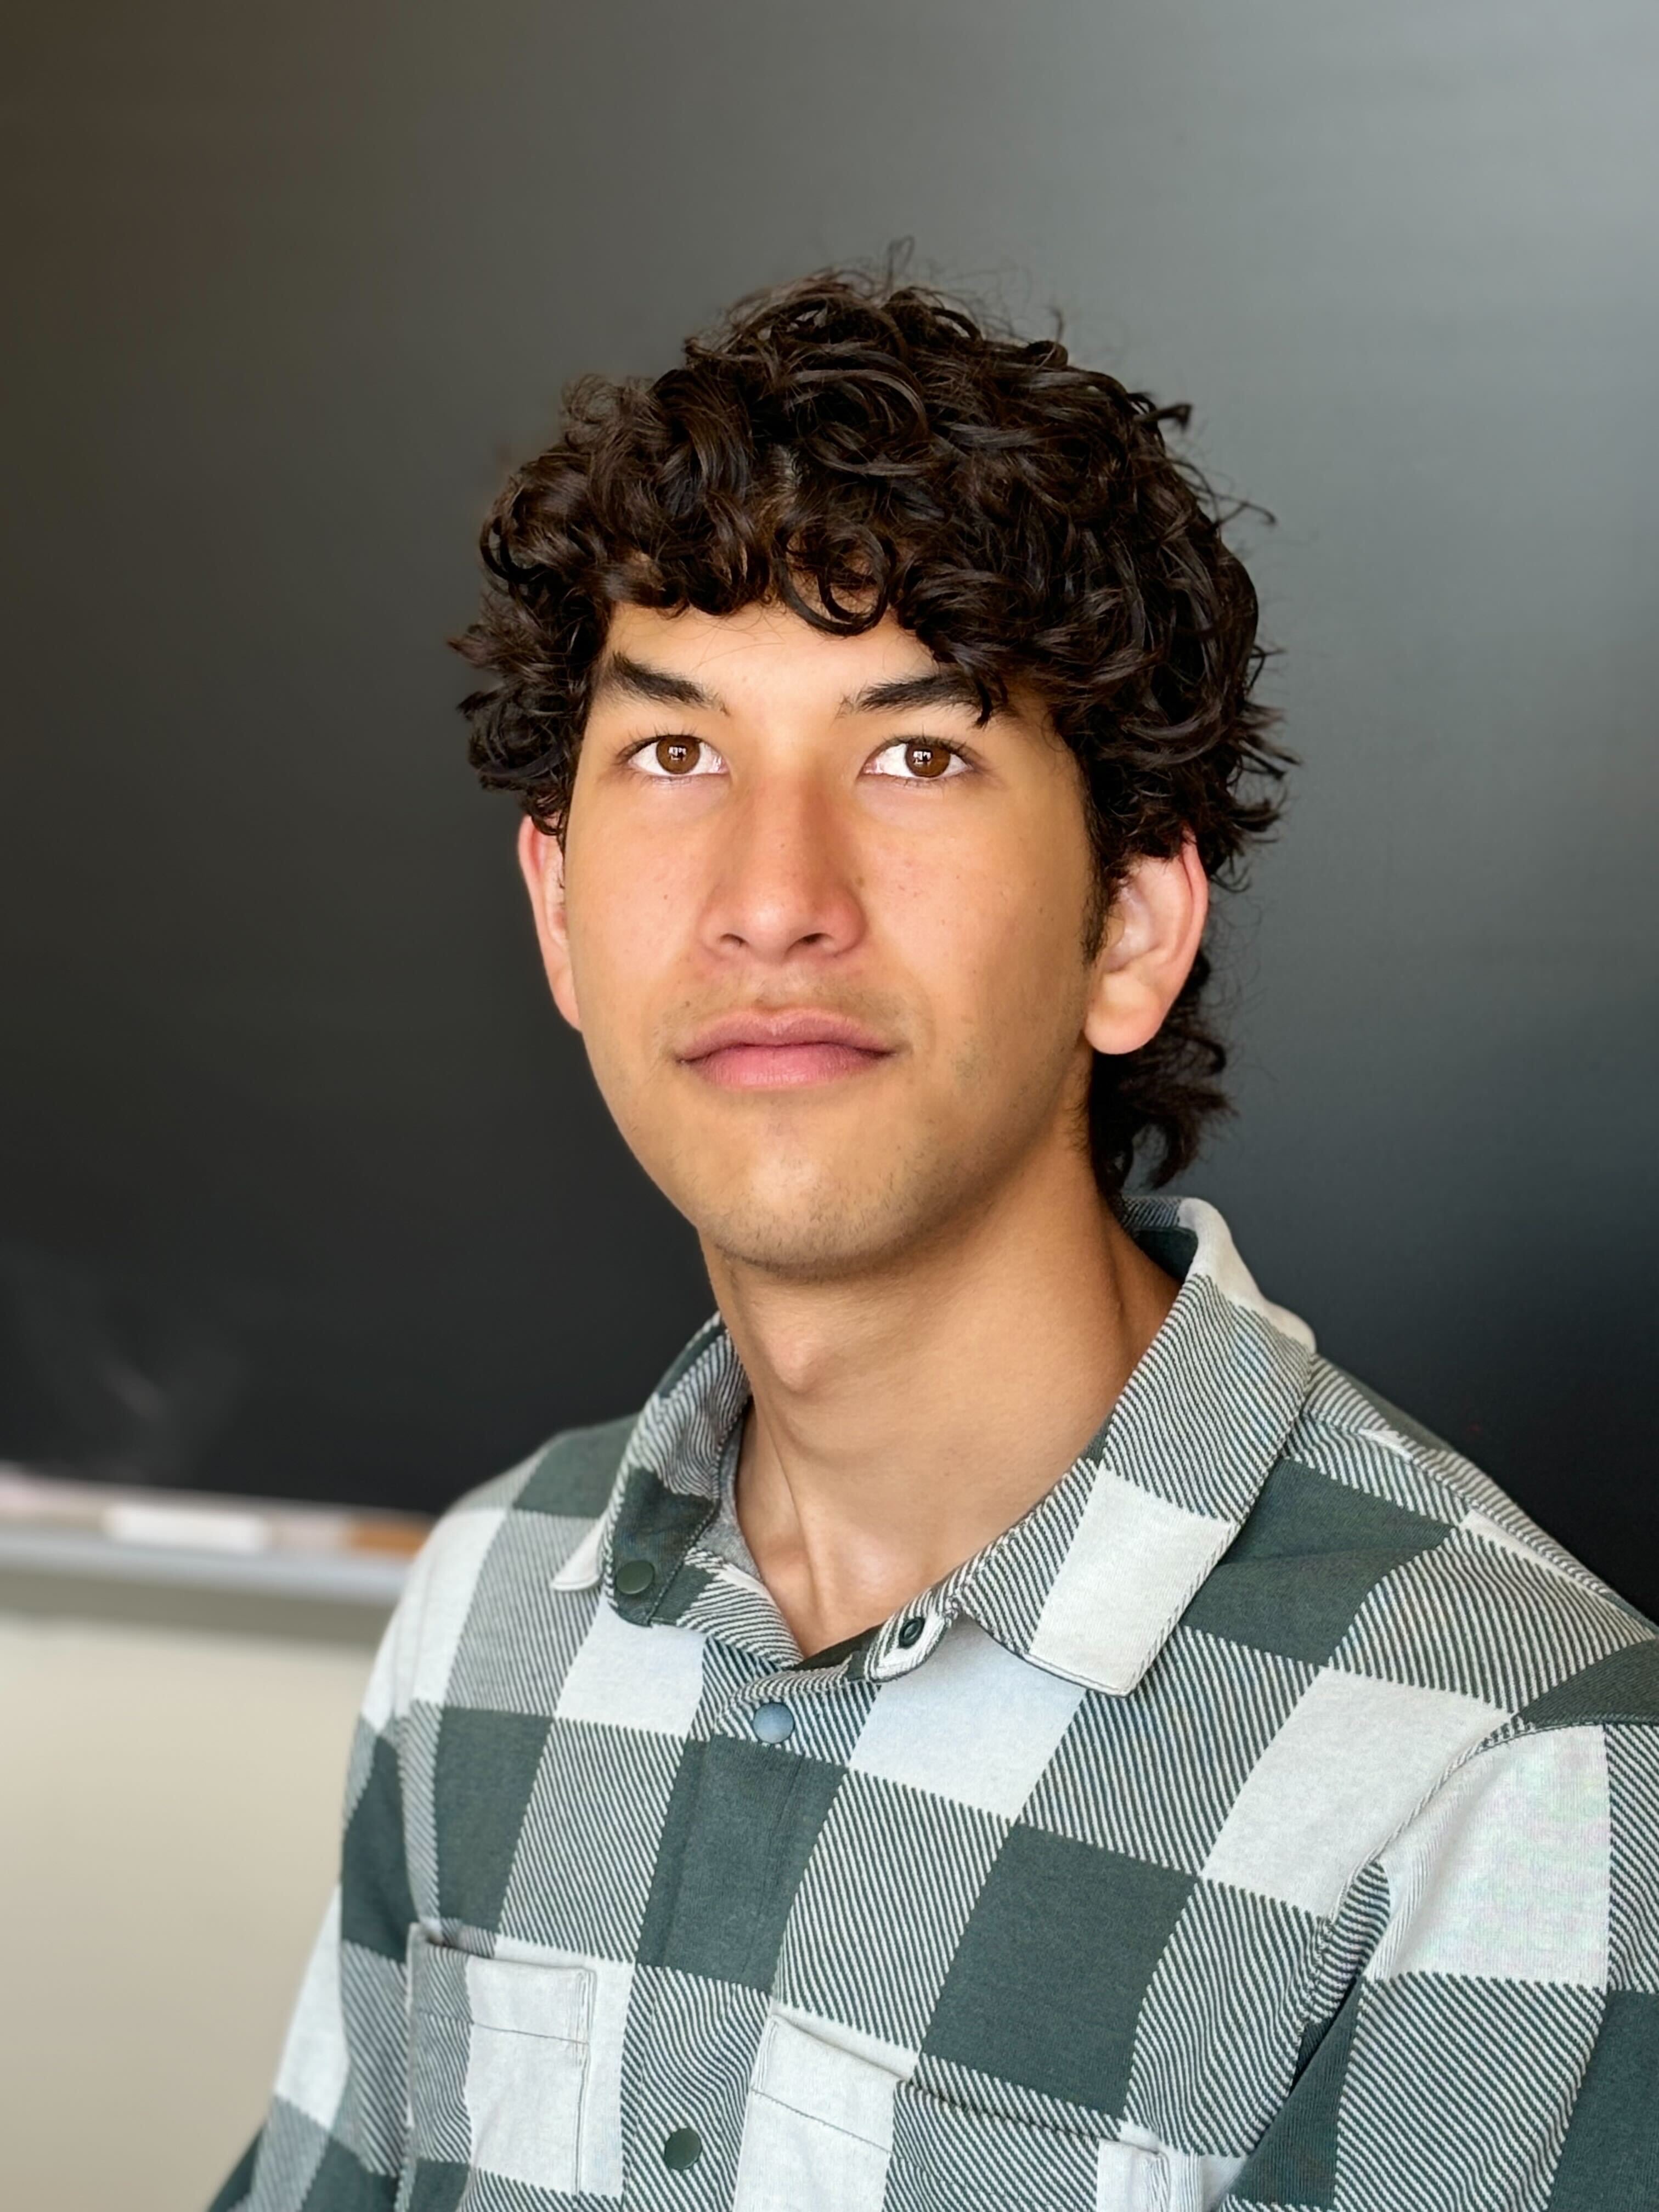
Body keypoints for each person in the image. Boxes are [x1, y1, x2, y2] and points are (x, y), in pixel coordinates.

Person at [211, 272, 1658, 2212]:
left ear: (1134, 927)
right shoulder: (488, 1615)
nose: (771, 897)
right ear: (558, 914)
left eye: (916, 755)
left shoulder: (1501, 1772)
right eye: (674, 754)